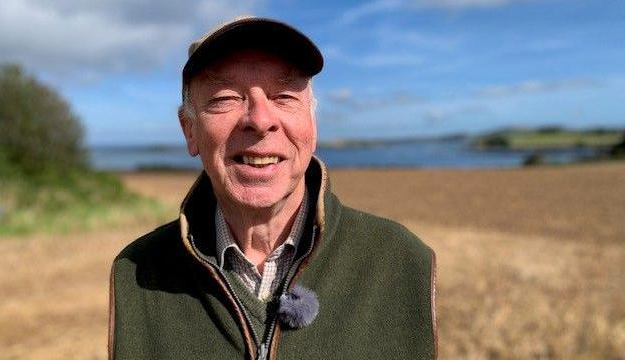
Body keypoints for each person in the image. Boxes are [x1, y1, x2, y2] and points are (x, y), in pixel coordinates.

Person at [109, 16, 437, 360]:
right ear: (189, 130)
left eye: (283, 96)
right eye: (225, 98)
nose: (260, 119)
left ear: (312, 123)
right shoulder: (135, 274)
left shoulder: (400, 261)